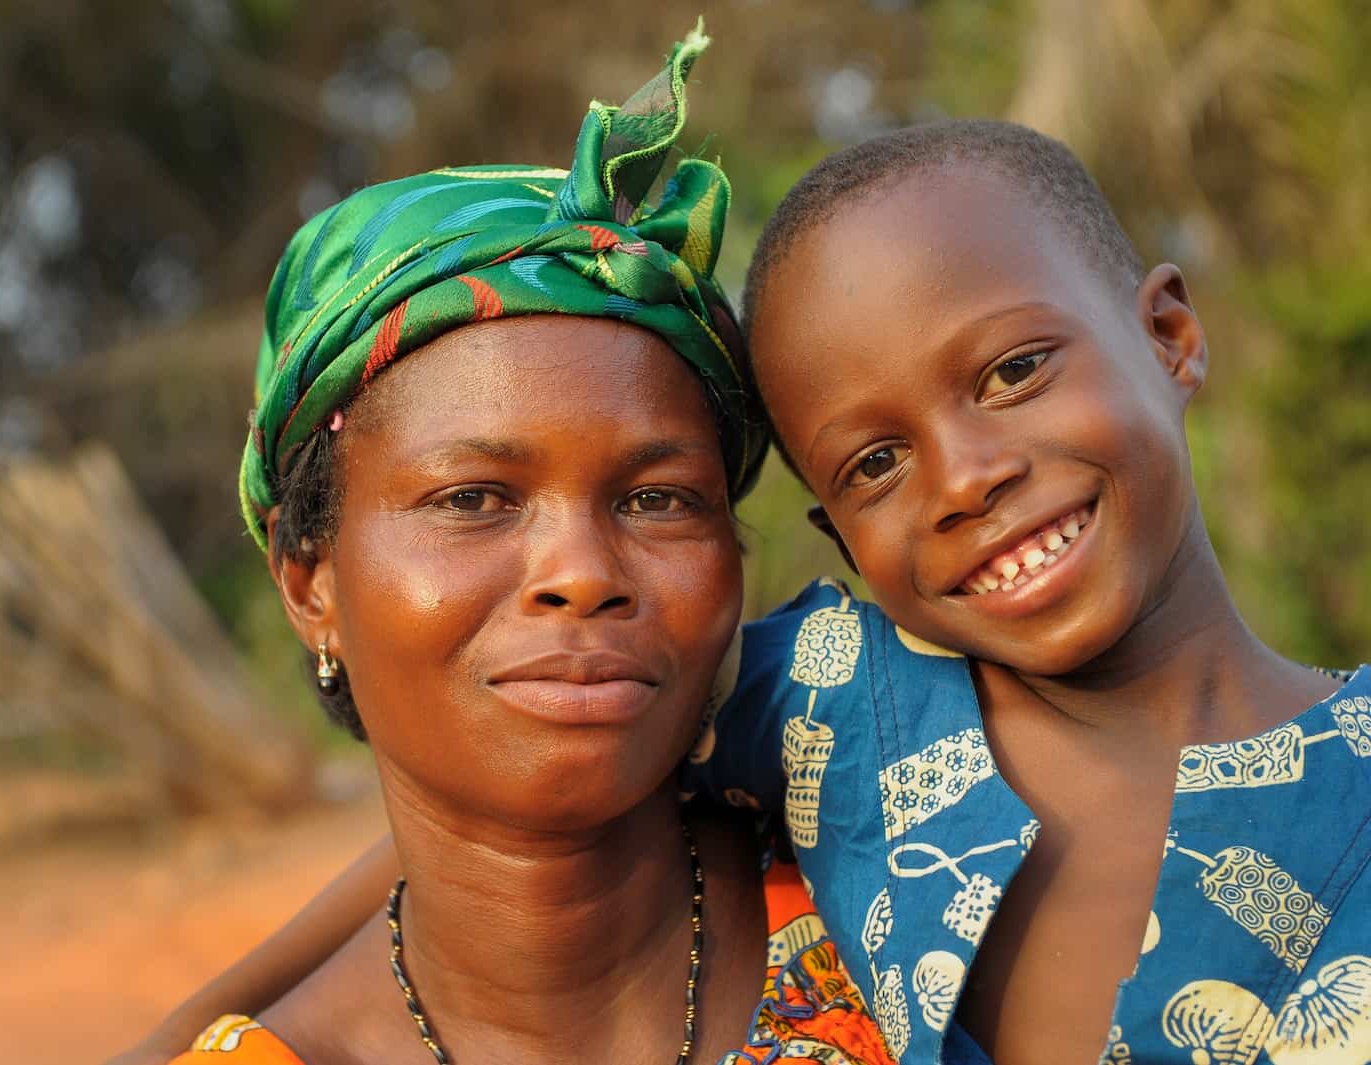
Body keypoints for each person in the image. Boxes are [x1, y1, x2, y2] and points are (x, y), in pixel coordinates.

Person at [120, 73, 1371, 1065]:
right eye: (874, 462)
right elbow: (495, 793)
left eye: (1013, 372)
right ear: (836, 534)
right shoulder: (847, 700)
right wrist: (187, 1032)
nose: (969, 477)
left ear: (1170, 336)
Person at [111, 29, 897, 1065]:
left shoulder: (917, 897)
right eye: (473, 498)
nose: (579, 573)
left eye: (658, 500)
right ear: (312, 588)